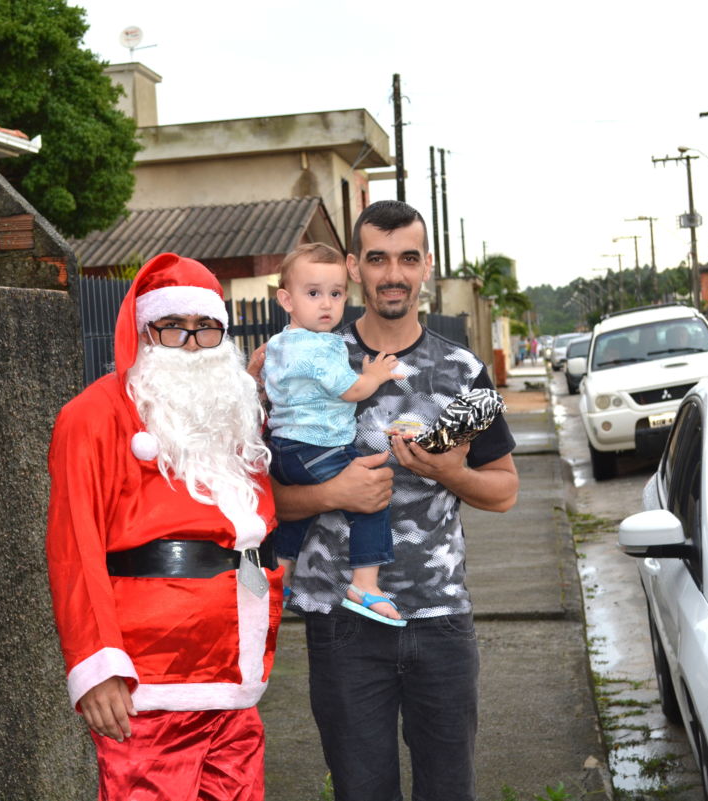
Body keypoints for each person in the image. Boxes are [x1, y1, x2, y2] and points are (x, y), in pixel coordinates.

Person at [269, 201, 520, 801]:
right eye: (377, 259)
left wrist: (448, 472)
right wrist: (333, 492)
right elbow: (265, 500)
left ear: (426, 266)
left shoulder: (461, 371)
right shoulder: (309, 357)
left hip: (440, 620)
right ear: (354, 267)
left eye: (408, 258)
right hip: (342, 625)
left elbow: (506, 490)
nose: (393, 274)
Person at [46, 252, 283, 801]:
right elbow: (72, 546)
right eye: (172, 327)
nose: (192, 344)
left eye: (206, 329)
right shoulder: (92, 415)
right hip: (149, 683)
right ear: (143, 330)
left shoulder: (236, 412)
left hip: (237, 676)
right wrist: (96, 665)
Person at [263, 243, 405, 623]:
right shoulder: (319, 348)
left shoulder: (277, 344)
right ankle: (365, 584)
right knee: (371, 496)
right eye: (313, 294)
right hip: (318, 447)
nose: (326, 304)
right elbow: (352, 390)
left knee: (298, 516)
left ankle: (283, 572)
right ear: (286, 299)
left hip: (283, 451)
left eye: (336, 294)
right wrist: (374, 374)